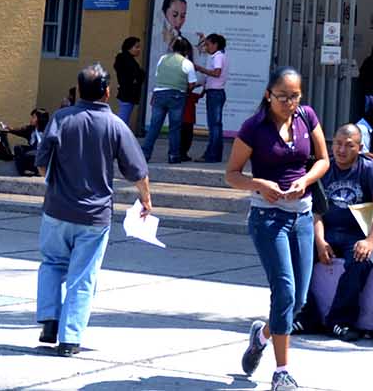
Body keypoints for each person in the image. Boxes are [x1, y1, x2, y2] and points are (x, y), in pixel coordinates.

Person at [33, 63, 152, 357]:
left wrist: (55, 184)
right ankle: (70, 338)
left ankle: (49, 320)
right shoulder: (115, 125)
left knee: (52, 263)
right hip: (95, 216)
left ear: (78, 89)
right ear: (107, 92)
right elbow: (137, 171)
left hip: (57, 209)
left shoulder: (61, 118)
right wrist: (146, 199)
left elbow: (41, 163)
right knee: (82, 275)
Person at [226, 64, 329, 391]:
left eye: (295, 96)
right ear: (268, 95)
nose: (289, 103)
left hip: (302, 216)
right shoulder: (254, 127)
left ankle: (261, 335)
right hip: (268, 218)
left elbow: (323, 160)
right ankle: (282, 372)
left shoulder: (307, 117)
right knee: (284, 292)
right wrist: (259, 184)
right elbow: (232, 174)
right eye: (282, 96)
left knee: (297, 301)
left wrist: (305, 180)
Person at [310, 120, 373, 341]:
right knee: (296, 252)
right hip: (327, 232)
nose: (341, 150)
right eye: (338, 144)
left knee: (361, 261)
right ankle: (307, 315)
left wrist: (370, 240)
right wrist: (319, 241)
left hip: (357, 235)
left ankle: (340, 321)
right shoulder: (323, 168)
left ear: (360, 147)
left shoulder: (370, 170)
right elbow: (315, 211)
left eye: (349, 145)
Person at [140, 37, 198, 164]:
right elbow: (192, 84)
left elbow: (158, 75)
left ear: (173, 47)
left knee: (154, 127)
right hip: (177, 95)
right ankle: (173, 155)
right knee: (175, 128)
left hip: (159, 94)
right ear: (186, 50)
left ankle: (145, 154)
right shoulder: (187, 63)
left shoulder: (163, 58)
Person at [196, 33, 228, 162]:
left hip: (215, 93)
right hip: (214, 92)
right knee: (216, 125)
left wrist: (200, 69)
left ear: (215, 45)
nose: (206, 47)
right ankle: (215, 154)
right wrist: (203, 90)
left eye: (208, 44)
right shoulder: (219, 56)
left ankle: (211, 155)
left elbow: (216, 73)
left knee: (214, 126)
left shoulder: (218, 57)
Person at [113, 38, 145, 129]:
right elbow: (135, 76)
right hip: (127, 94)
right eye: (136, 47)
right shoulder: (126, 60)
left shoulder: (127, 59)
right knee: (123, 120)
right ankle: (117, 135)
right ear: (129, 47)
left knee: (124, 118)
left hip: (127, 93)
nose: (139, 49)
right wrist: (138, 76)